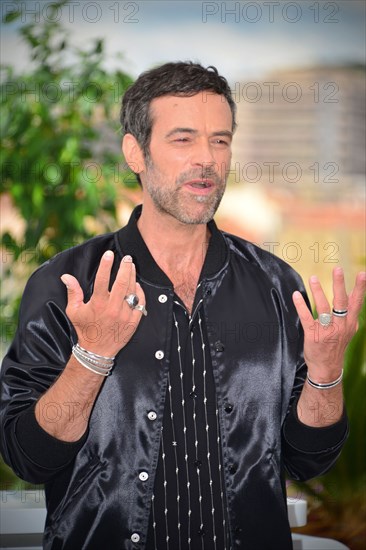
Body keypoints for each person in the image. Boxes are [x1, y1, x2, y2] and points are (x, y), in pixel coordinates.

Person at [0, 62, 365, 550]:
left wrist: (325, 374)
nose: (207, 159)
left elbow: (308, 460)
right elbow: (29, 458)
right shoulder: (68, 285)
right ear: (136, 152)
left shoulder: (277, 284)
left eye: (220, 140)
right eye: (183, 139)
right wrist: (92, 357)